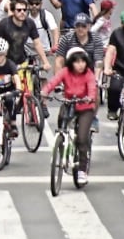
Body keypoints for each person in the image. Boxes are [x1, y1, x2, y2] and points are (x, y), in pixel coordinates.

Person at [42, 47, 98, 184]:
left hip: (85, 107)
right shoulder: (65, 72)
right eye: (77, 62)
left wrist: (90, 97)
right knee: (61, 123)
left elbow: (92, 87)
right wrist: (44, 92)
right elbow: (53, 82)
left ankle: (82, 171)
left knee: (82, 138)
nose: (80, 65)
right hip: (69, 104)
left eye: (83, 62)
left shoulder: (88, 74)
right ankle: (61, 144)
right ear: (71, 62)